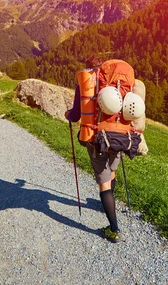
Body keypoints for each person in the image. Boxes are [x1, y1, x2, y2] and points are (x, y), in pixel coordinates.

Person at [65, 55, 122, 243]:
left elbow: (75, 116)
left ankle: (113, 230)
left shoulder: (84, 84)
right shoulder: (115, 84)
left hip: (96, 139)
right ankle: (106, 205)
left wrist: (68, 114)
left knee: (103, 181)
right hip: (118, 136)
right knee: (112, 171)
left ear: (88, 68)